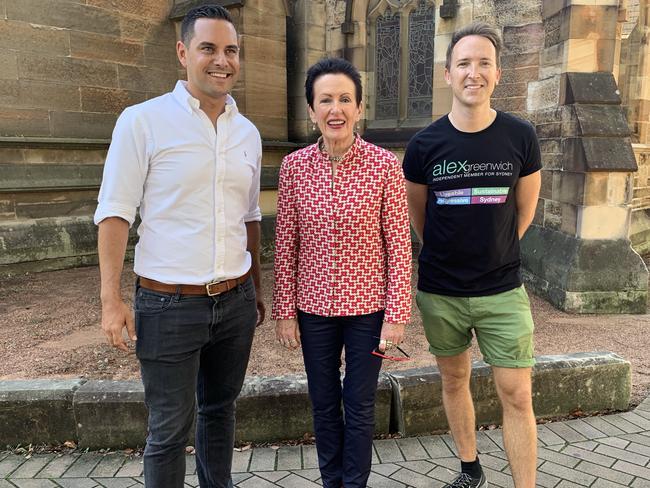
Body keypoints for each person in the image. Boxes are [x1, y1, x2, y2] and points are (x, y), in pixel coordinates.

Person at [94, 5, 264, 488]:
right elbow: (115, 213)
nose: (221, 60)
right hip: (167, 305)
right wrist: (111, 300)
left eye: (231, 50)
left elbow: (248, 216)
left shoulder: (247, 133)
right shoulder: (142, 122)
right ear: (182, 52)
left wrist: (253, 287)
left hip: (233, 304)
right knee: (169, 430)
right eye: (208, 48)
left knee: (220, 413)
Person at [403, 22, 542, 488]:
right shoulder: (423, 146)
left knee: (517, 394)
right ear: (448, 74)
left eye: (484, 63)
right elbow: (421, 219)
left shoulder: (520, 137)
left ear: (498, 73)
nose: (473, 72)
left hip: (503, 289)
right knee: (453, 381)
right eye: (463, 63)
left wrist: (495, 249)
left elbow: (523, 212)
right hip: (441, 291)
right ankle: (470, 468)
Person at [272, 58, 412, 488]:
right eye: (326, 100)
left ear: (359, 107)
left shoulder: (384, 165)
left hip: (368, 311)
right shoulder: (294, 168)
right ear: (312, 110)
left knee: (360, 402)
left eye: (345, 99)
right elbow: (285, 245)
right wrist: (284, 311)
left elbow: (399, 246)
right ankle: (332, 481)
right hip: (312, 309)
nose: (336, 109)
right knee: (324, 402)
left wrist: (397, 313)